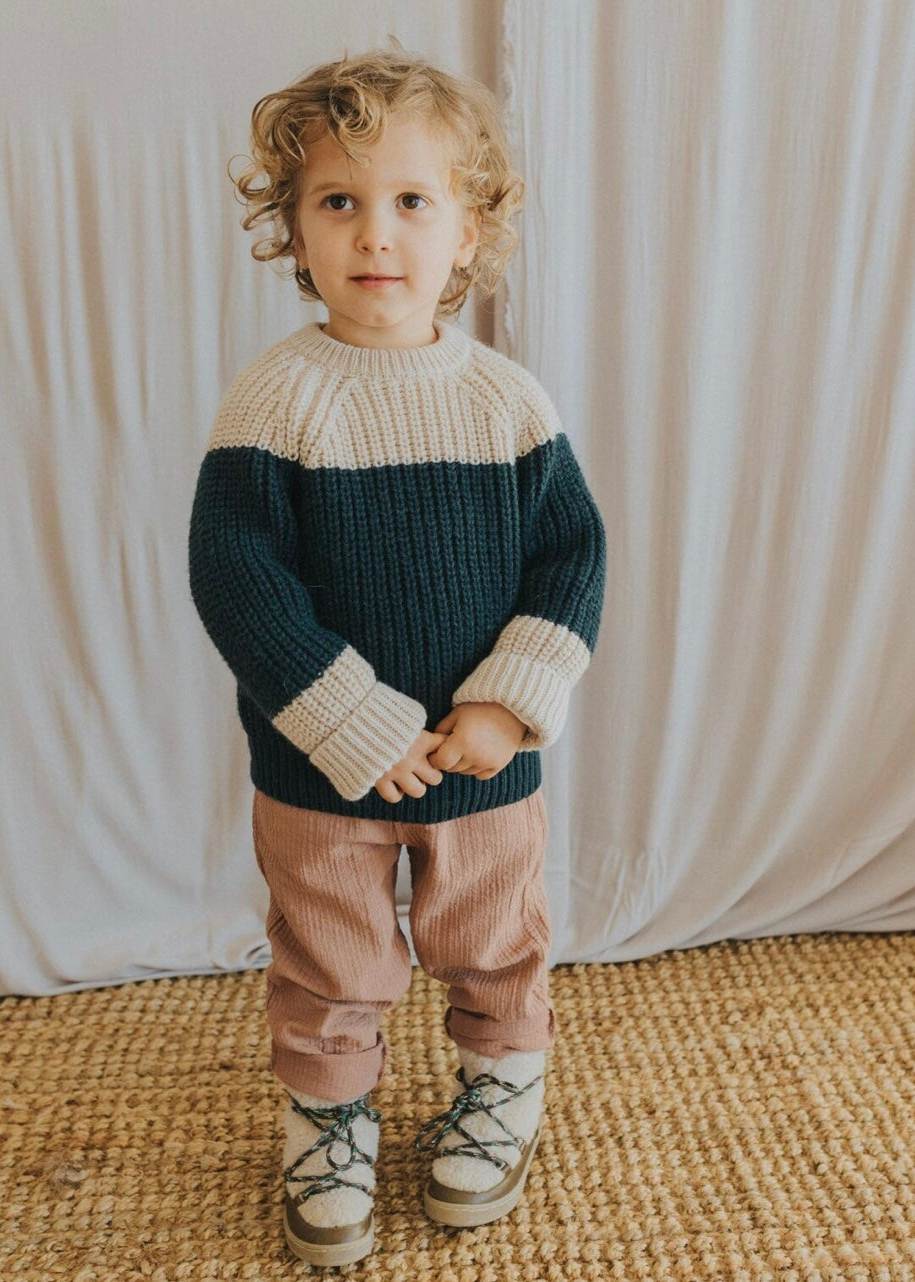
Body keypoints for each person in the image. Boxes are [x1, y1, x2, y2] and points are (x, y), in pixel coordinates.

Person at [189, 43, 606, 1269]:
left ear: (467, 229)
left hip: (480, 762)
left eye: (412, 200)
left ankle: (501, 1088)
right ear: (293, 230)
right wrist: (352, 723)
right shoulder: (275, 402)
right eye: (339, 201)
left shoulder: (507, 404)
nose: (376, 233)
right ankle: (328, 1121)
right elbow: (237, 578)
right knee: (330, 955)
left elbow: (570, 560)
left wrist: (506, 708)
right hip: (319, 768)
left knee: (494, 939)